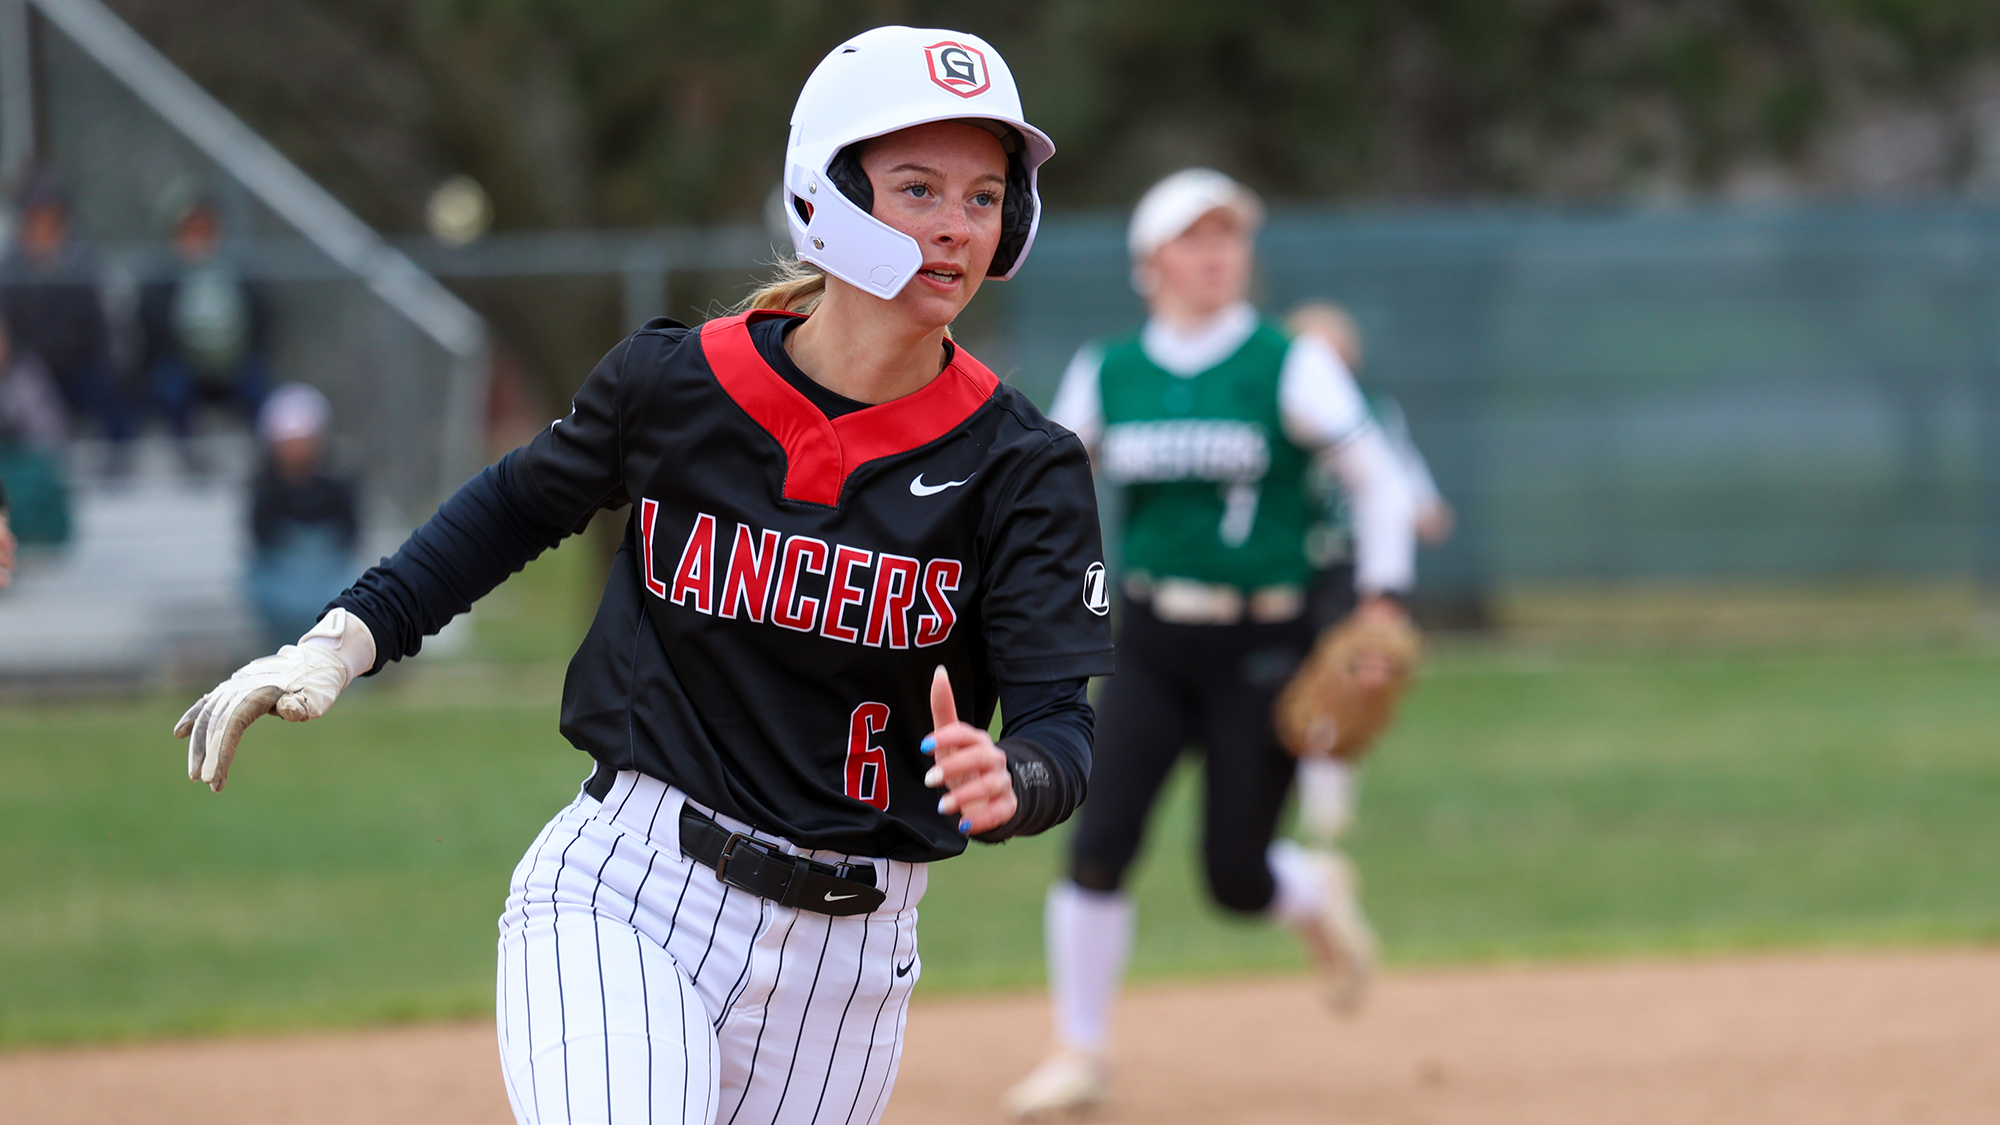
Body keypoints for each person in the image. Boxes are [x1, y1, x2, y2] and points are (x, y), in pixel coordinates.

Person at [172, 25, 1112, 1125]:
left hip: (849, 970)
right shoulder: (682, 384)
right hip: (630, 894)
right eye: (916, 189)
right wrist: (341, 641)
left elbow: (1060, 724)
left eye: (986, 196)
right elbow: (511, 511)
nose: (956, 227)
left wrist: (1018, 781)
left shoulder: (1019, 465)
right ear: (828, 193)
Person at [1003, 168, 1418, 1119]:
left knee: (1235, 878)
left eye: (1229, 238)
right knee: (1099, 841)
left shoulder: (1286, 362)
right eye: (1194, 240)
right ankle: (1081, 1049)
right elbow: (1045, 491)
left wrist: (1382, 601)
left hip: (1264, 645)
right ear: (1151, 264)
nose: (1216, 255)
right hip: (1150, 637)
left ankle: (1312, 886)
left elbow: (1381, 484)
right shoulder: (1109, 370)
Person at [1282, 300, 1451, 851]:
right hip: (1291, 561)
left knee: (1341, 678)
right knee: (1286, 676)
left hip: (1350, 563)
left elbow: (1395, 469)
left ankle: (1328, 797)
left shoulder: (1372, 410)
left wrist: (1424, 504)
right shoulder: (1282, 409)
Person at [138, 193, 271, 462]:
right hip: (183, 365)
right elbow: (152, 329)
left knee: (263, 389)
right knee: (169, 388)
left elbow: (263, 319)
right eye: (191, 230)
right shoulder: (161, 279)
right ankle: (187, 456)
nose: (198, 237)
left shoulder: (236, 273)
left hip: (234, 364)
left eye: (204, 229)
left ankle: (266, 459)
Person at [0, 181, 119, 447]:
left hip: (77, 370)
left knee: (112, 388)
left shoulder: (82, 267)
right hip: (28, 374)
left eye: (50, 222)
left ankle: (116, 457)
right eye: (37, 221)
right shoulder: (9, 272)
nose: (44, 230)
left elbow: (98, 329)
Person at [245, 382, 360, 650]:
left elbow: (349, 538)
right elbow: (260, 546)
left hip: (330, 583)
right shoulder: (264, 492)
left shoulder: (339, 488)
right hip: (278, 594)